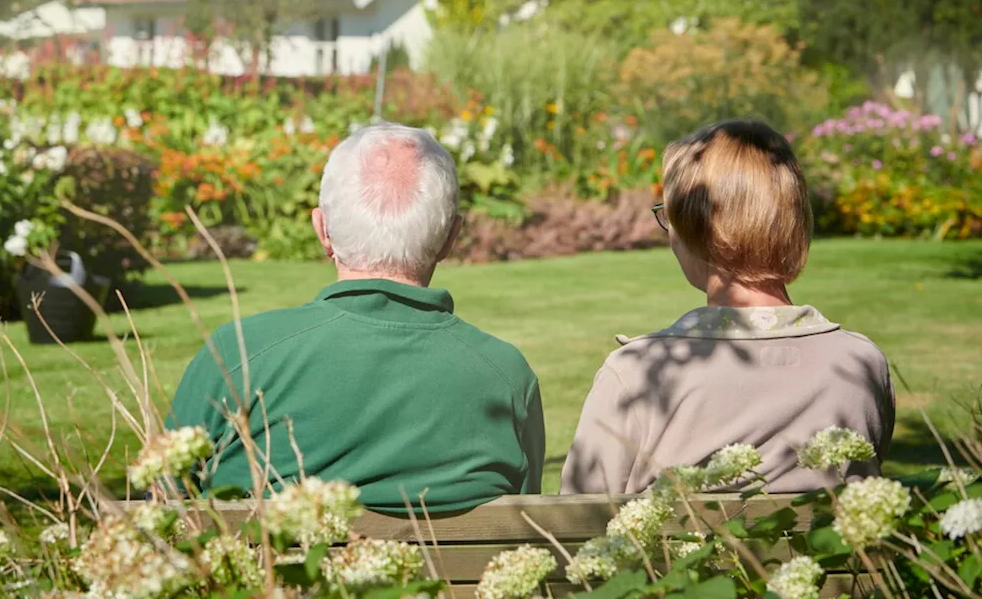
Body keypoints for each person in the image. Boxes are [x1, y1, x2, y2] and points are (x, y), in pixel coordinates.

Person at [167, 123, 545, 513]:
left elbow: (160, 504)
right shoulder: (507, 378)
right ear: (451, 237)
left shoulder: (238, 355)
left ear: (322, 229)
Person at [560, 119, 895, 495]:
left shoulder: (637, 376)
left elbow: (577, 523)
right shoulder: (861, 365)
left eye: (668, 216)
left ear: (694, 227)